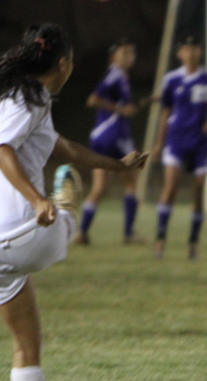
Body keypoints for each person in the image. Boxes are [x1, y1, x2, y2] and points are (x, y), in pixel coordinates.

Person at [0, 24, 147, 381]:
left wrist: (116, 166)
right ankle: (64, 207)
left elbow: (62, 147)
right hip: (20, 231)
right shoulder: (28, 99)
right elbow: (3, 151)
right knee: (62, 211)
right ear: (62, 63)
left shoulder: (17, 99)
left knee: (27, 344)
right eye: (72, 62)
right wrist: (37, 200)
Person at [151, 34, 207, 260]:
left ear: (200, 51)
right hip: (176, 140)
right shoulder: (171, 79)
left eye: (195, 48)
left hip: (200, 142)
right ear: (179, 54)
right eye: (186, 49)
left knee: (198, 190)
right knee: (171, 186)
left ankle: (194, 242)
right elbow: (165, 111)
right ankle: (160, 239)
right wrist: (159, 143)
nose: (191, 52)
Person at [78, 38, 143, 245]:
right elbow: (93, 99)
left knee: (99, 187)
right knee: (131, 182)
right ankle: (129, 233)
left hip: (100, 136)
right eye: (124, 53)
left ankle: (82, 232)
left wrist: (124, 108)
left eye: (131, 53)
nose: (129, 57)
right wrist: (121, 109)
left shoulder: (119, 76)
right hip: (114, 136)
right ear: (114, 57)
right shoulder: (115, 74)